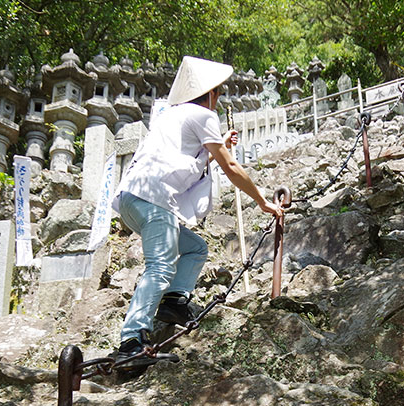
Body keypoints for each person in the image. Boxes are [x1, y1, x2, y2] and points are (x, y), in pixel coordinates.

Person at [111, 56, 283, 369]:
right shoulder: (204, 115)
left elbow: (186, 158)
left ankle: (173, 303)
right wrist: (263, 201)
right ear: (211, 94)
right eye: (218, 93)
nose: (218, 99)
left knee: (194, 248)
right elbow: (230, 167)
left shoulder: (172, 116)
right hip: (154, 198)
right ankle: (131, 341)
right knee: (160, 266)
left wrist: (214, 147)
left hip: (130, 199)